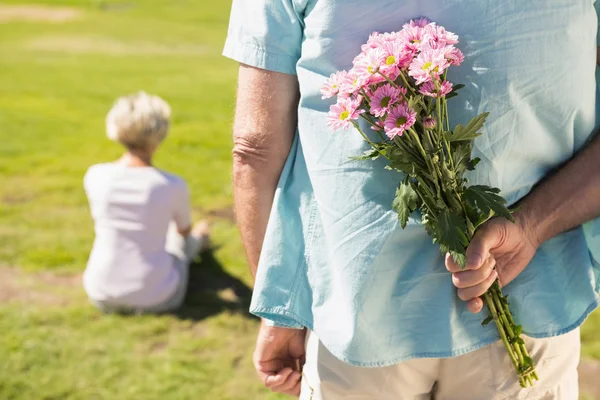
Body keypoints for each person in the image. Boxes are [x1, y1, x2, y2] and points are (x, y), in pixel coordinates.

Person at [225, 2, 600, 399]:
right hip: (530, 296)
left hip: (361, 305)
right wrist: (530, 227)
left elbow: (254, 149)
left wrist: (279, 313)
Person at [83, 92, 210, 314]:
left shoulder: (95, 175)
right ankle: (203, 239)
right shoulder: (172, 185)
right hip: (158, 297)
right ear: (160, 134)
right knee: (182, 241)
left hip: (100, 292)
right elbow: (182, 233)